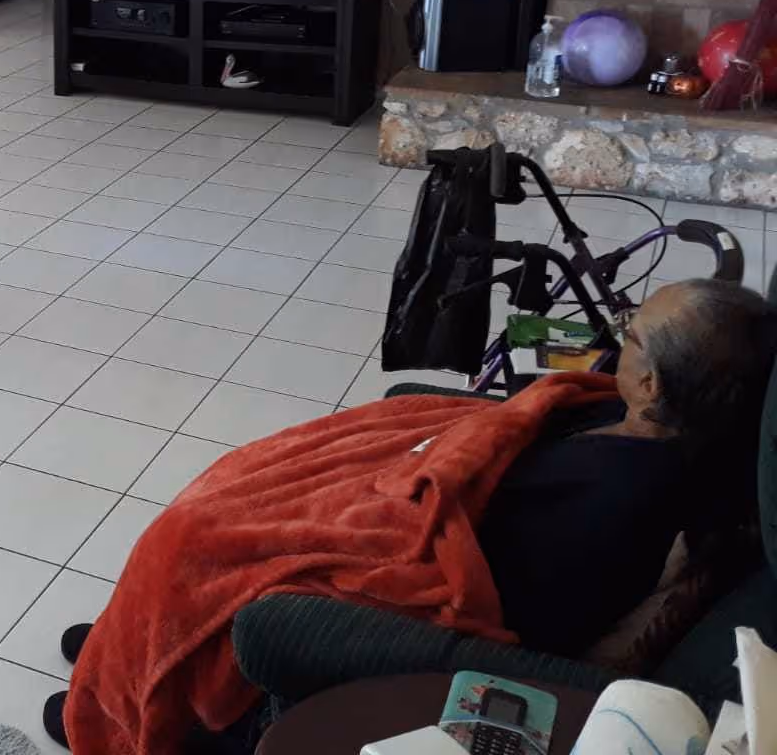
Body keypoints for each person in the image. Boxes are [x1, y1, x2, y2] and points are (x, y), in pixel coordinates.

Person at [44, 278, 777, 751]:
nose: (617, 336)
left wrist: (405, 490)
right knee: (238, 490)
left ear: (652, 385)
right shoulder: (667, 430)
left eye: (631, 333)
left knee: (196, 536)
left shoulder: (618, 505)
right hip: (443, 482)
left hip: (430, 546)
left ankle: (128, 699)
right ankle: (125, 645)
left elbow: (483, 587)